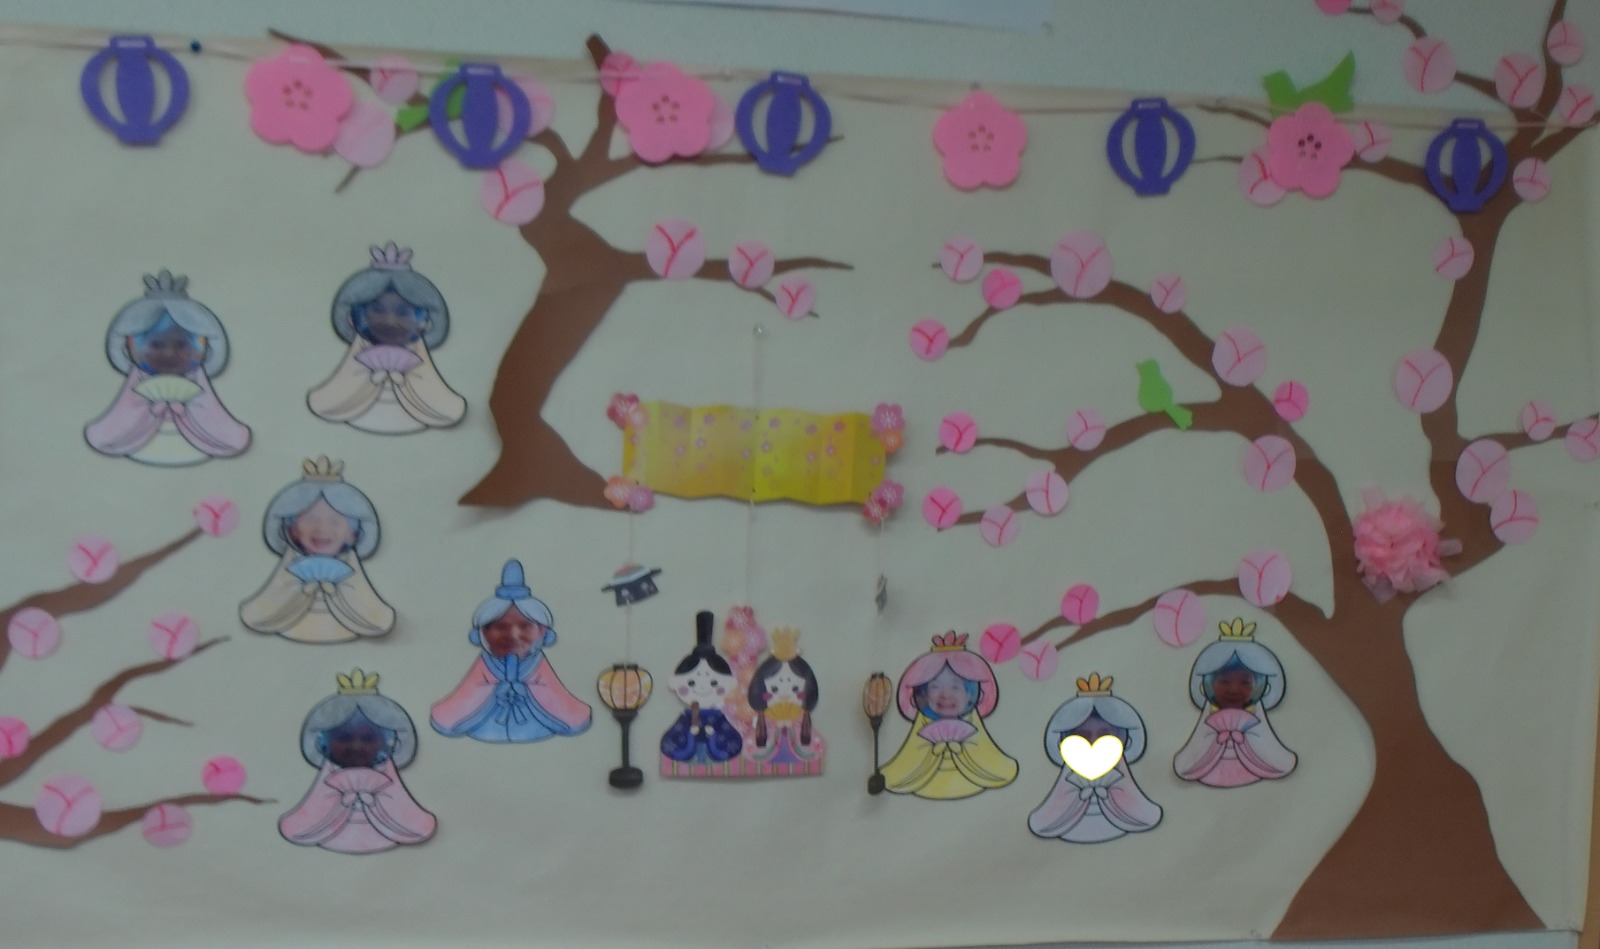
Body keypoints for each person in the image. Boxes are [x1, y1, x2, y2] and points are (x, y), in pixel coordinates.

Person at [84, 270, 251, 466]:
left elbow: (219, 425)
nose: (169, 354)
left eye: (181, 345)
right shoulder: (137, 380)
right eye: (156, 345)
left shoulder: (198, 380)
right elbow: (115, 424)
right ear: (133, 347)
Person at [307, 243, 466, 434]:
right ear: (354, 316)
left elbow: (445, 407)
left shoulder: (421, 359)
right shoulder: (356, 355)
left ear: (426, 321)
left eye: (402, 312)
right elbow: (329, 400)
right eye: (377, 310)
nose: (390, 320)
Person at [430, 560, 593, 743]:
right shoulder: (486, 662)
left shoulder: (537, 662)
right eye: (501, 627)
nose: (513, 635)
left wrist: (526, 689)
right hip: (487, 726)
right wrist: (496, 689)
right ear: (482, 633)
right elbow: (468, 695)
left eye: (525, 626)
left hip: (534, 725)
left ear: (543, 631)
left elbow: (554, 694)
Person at [279, 669, 437, 854]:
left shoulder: (390, 781)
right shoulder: (325, 781)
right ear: (324, 742)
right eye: (344, 738)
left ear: (387, 741)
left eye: (368, 738)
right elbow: (302, 825)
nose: (356, 746)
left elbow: (414, 823)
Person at [238, 458, 395, 644]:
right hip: (291, 631)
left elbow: (377, 617)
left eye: (335, 521)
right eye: (310, 519)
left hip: (344, 631)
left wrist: (336, 593)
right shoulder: (289, 565)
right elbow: (259, 612)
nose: (322, 529)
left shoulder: (352, 568)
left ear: (353, 532)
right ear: (291, 529)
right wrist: (302, 591)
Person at [879, 632, 1018, 800]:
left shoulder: (973, 723)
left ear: (970, 694)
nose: (945, 695)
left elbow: (990, 760)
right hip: (925, 788)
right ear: (924, 694)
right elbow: (908, 762)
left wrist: (961, 750)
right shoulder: (921, 725)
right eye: (935, 687)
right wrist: (933, 751)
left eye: (955, 687)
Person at [1028, 673, 1163, 843]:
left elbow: (1143, 813)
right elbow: (1044, 821)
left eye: (1104, 735)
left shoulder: (1122, 779)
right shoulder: (1068, 779)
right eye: (1083, 735)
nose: (1093, 742)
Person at [1172, 618, 1297, 787]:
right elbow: (1186, 763)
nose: (1234, 690)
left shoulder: (1258, 718)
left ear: (1262, 686)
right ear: (1206, 685)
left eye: (1245, 682)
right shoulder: (1207, 718)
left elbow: (1276, 757)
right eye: (1224, 681)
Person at [661, 611, 745, 770]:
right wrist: (690, 734)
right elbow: (670, 742)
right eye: (692, 682)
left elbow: (733, 741)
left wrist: (713, 735)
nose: (703, 687)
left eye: (713, 683)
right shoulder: (686, 716)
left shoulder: (719, 716)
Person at [746, 627, 823, 770]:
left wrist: (792, 724)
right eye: (774, 689)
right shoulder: (764, 717)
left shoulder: (802, 716)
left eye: (795, 689)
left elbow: (806, 736)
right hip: (767, 755)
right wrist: (775, 725)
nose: (785, 694)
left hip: (798, 759)